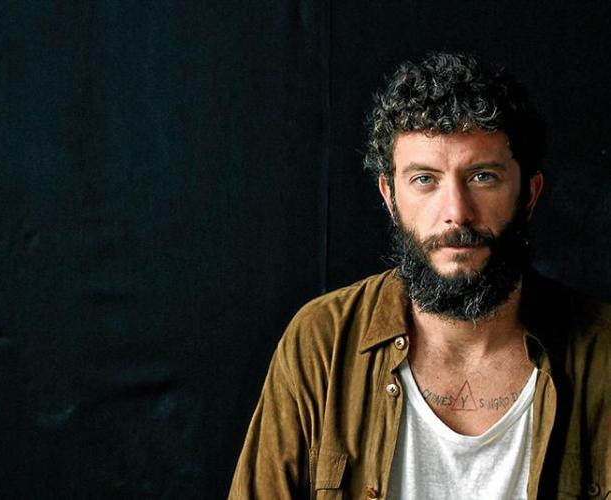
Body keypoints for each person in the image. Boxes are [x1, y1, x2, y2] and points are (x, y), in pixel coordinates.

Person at [229, 52, 610, 499]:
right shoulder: (322, 345)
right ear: (389, 196)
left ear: (529, 193)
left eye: (483, 177)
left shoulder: (603, 353)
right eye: (425, 179)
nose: (457, 213)